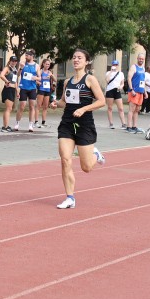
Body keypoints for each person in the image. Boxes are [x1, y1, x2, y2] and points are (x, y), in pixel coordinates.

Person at [56, 48, 106, 209]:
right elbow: (64, 102)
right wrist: (55, 103)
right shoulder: (67, 82)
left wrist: (83, 109)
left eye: (79, 58)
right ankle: (70, 197)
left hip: (84, 124)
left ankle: (95, 154)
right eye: (74, 57)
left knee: (86, 168)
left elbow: (101, 101)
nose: (76, 60)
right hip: (67, 124)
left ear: (86, 61)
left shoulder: (90, 79)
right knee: (65, 160)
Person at [15, 49, 39, 131]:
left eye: (27, 55)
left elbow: (40, 78)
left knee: (32, 106)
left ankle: (30, 125)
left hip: (32, 88)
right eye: (25, 55)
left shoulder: (36, 65)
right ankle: (17, 123)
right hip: (23, 88)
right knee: (22, 106)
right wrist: (21, 68)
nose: (25, 57)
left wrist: (35, 78)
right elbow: (18, 75)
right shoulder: (23, 63)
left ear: (32, 56)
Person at [125, 53, 147, 133]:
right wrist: (131, 89)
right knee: (131, 109)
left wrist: (145, 92)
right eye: (140, 58)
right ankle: (129, 126)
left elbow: (143, 81)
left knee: (137, 110)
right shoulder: (134, 67)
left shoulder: (143, 68)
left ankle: (134, 126)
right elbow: (129, 78)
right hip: (134, 91)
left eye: (142, 59)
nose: (141, 60)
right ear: (137, 59)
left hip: (140, 91)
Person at [0, 54, 19, 132]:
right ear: (10, 61)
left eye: (15, 61)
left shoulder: (15, 70)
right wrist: (7, 81)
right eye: (12, 61)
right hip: (8, 89)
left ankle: (6, 125)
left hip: (13, 90)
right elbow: (1, 75)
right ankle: (5, 127)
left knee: (10, 108)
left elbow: (15, 81)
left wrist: (17, 91)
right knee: (8, 108)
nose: (14, 62)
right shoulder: (7, 68)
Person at [104, 60, 126, 129]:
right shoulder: (108, 73)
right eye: (114, 65)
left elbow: (122, 83)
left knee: (121, 108)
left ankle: (123, 123)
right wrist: (111, 71)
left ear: (118, 65)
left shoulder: (121, 73)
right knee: (110, 107)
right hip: (110, 90)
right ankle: (111, 123)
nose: (115, 66)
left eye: (116, 65)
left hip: (117, 90)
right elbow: (107, 80)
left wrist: (121, 87)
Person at [35, 59, 54, 128]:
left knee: (45, 106)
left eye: (48, 64)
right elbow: (35, 79)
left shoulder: (50, 72)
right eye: (46, 64)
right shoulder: (40, 71)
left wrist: (51, 75)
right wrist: (38, 82)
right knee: (38, 105)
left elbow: (55, 80)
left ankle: (43, 122)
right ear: (43, 64)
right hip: (41, 89)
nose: (47, 65)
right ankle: (36, 122)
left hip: (47, 90)